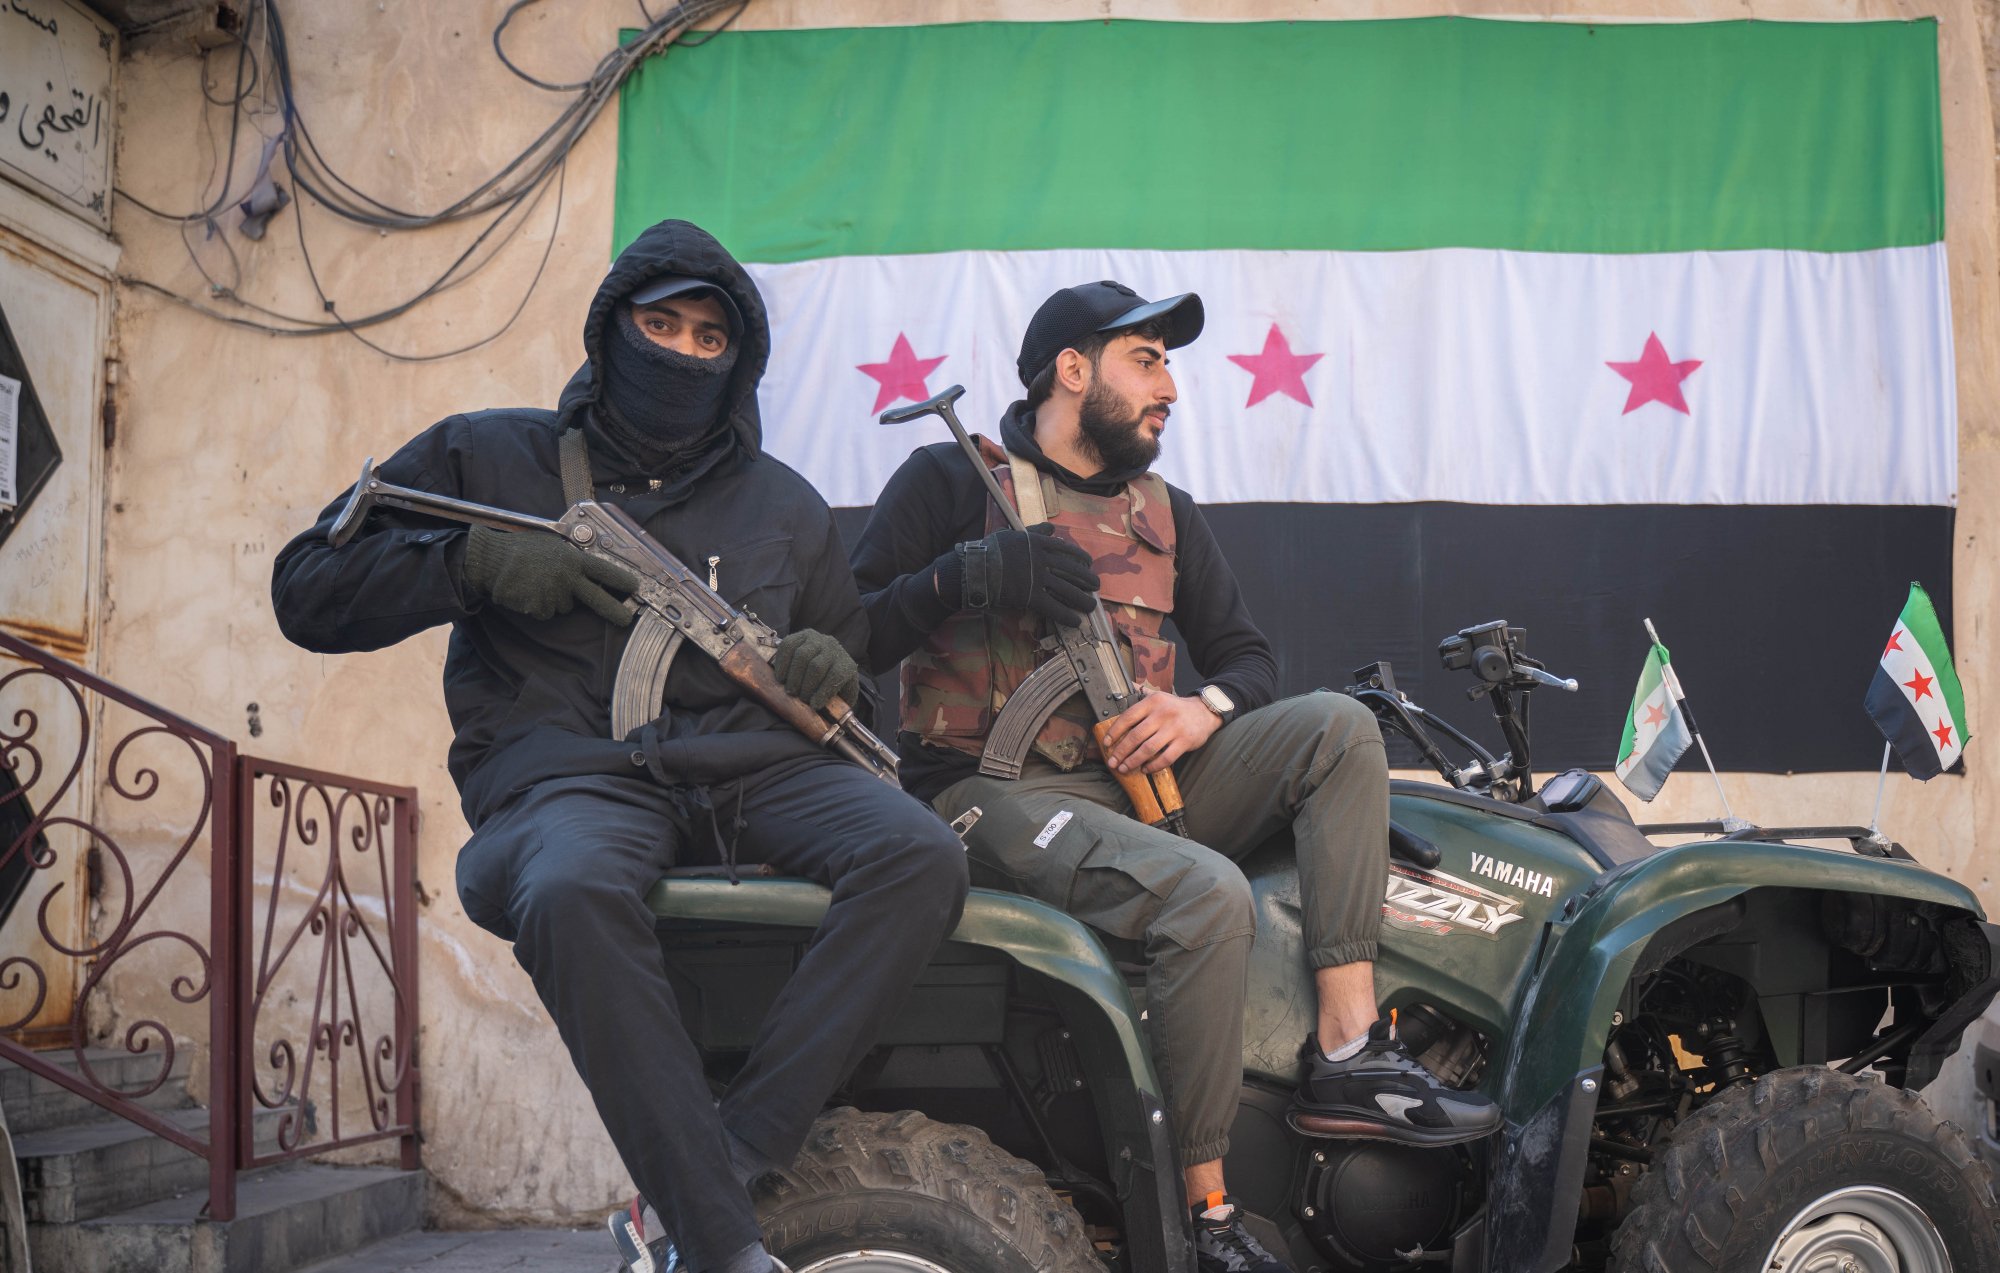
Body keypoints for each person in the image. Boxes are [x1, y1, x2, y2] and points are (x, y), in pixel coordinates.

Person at [271, 220, 970, 1273]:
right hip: (568, 779)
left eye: (708, 339)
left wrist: (829, 664)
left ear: (737, 364)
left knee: (921, 854)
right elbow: (305, 590)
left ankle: (721, 1167)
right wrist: (470, 564)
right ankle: (725, 1245)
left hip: (755, 771)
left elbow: (846, 675)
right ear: (611, 332)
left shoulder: (783, 502)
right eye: (661, 324)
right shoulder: (489, 455)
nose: (684, 353)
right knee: (569, 889)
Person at [850, 281, 1501, 1273]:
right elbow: (844, 633)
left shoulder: (1165, 512)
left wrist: (1200, 711)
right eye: (1146, 360)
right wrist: (968, 577)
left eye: (1168, 364)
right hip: (989, 796)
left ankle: (1346, 1047)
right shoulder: (949, 483)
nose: (1170, 388)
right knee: (1206, 893)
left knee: (1336, 727)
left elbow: (1244, 656)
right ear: (1073, 370)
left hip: (1137, 785)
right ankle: (1206, 1218)